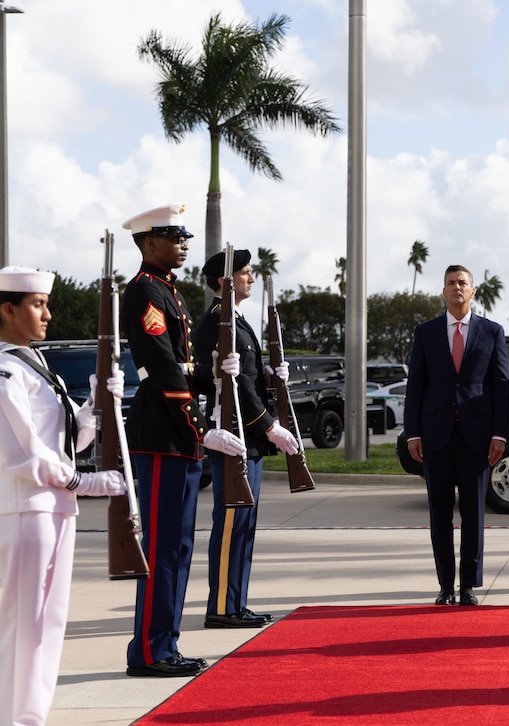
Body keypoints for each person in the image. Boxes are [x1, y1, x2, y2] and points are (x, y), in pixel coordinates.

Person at [120, 203, 246, 677]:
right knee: (162, 549)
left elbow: (186, 369)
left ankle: (165, 644)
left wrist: (216, 380)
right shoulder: (145, 292)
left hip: (179, 439)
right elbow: (167, 374)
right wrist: (201, 424)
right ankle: (151, 652)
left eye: (184, 237)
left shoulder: (168, 291)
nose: (184, 244)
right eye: (174, 237)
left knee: (177, 548)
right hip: (162, 436)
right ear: (149, 242)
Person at [0, 267, 127, 725]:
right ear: (7, 309)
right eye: (37, 304)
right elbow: (26, 454)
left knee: (46, 626)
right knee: (26, 626)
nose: (48, 314)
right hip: (28, 509)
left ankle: (28, 716)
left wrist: (97, 404)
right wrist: (85, 483)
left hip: (52, 508)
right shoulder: (6, 370)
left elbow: (72, 437)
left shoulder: (34, 363)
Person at [193, 249, 298, 630]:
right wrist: (269, 425)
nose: (251, 279)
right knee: (231, 522)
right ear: (225, 281)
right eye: (245, 273)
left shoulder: (237, 320)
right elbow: (219, 383)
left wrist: (270, 375)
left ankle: (235, 602)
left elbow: (249, 380)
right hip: (232, 436)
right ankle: (221, 606)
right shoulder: (214, 323)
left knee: (244, 523)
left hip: (246, 438)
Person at [403, 264, 509, 606]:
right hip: (435, 436)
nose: (456, 288)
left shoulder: (491, 332)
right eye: (450, 282)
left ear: (472, 291)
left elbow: (502, 387)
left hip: (477, 438)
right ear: (443, 290)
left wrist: (499, 434)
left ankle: (468, 586)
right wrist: (412, 433)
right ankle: (445, 586)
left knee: (474, 514)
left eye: (462, 283)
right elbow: (415, 385)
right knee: (439, 514)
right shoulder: (426, 332)